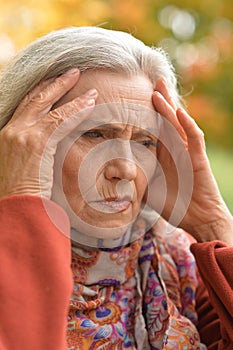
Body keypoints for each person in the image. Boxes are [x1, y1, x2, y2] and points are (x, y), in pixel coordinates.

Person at [0, 26, 232, 350]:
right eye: (94, 134)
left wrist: (214, 224)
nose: (125, 168)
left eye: (145, 141)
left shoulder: (176, 262)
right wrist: (23, 199)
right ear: (22, 140)